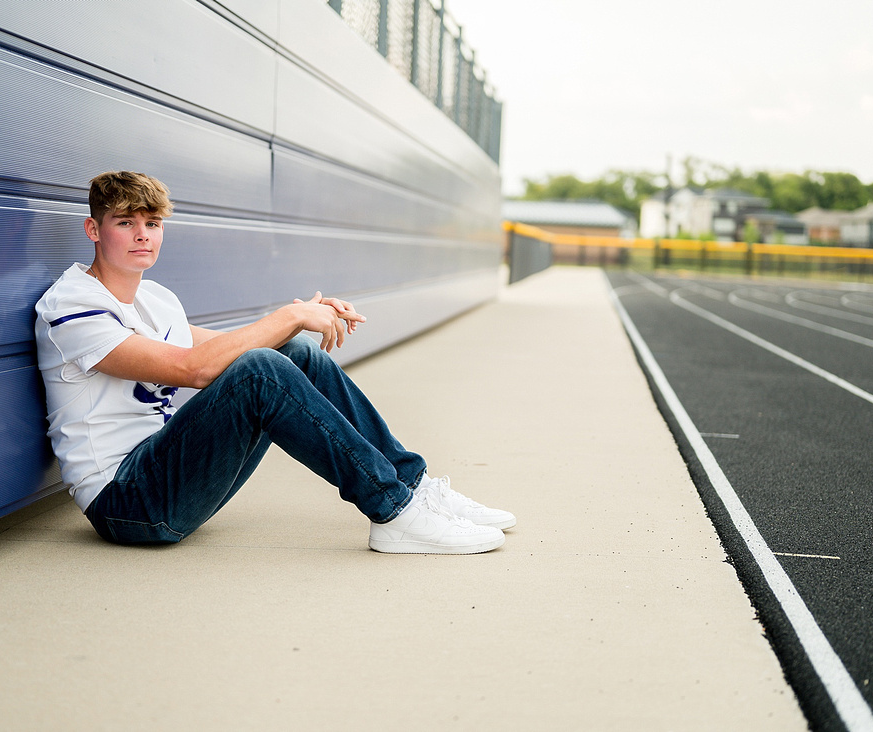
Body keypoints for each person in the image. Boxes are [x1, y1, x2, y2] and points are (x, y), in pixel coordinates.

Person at [34, 171, 515, 554]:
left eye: (152, 224)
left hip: (169, 474)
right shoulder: (71, 304)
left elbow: (226, 350)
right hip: (128, 502)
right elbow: (194, 370)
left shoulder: (156, 300)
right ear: (94, 229)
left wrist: (306, 318)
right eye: (125, 223)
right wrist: (290, 314)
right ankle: (395, 513)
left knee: (291, 353)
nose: (143, 236)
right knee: (261, 368)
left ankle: (415, 486)